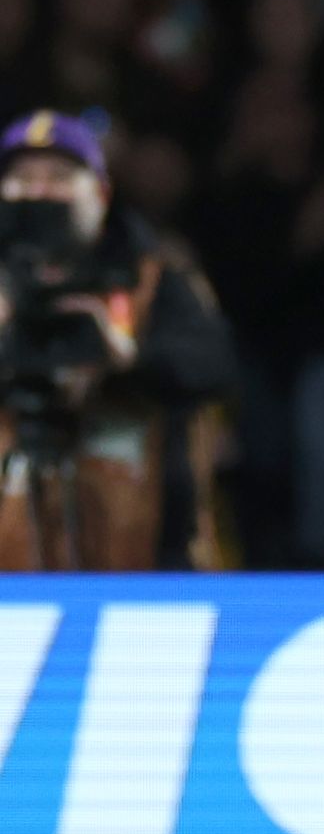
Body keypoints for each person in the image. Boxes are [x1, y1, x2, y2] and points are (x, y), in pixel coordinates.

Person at [0, 110, 235, 570]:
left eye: (59, 178)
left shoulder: (151, 279)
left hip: (142, 559)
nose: (40, 194)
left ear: (101, 194)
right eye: (23, 180)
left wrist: (127, 358)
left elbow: (216, 366)